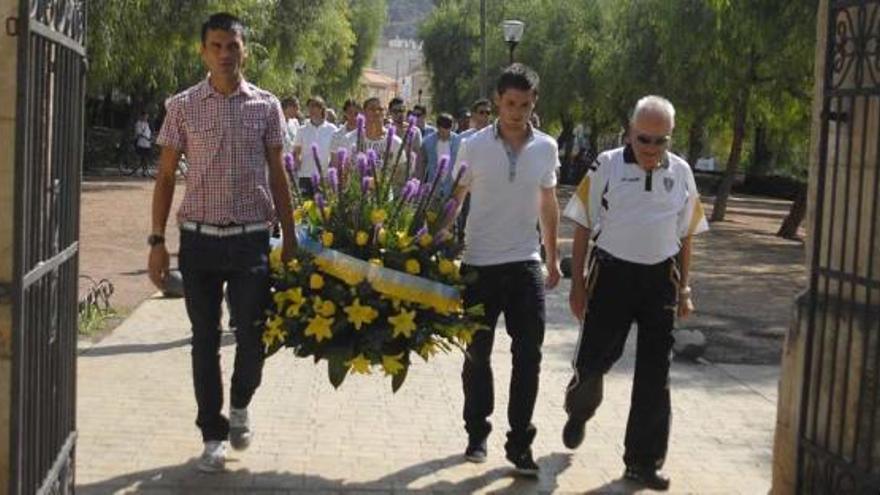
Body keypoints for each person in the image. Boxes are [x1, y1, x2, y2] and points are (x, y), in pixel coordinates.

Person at [147, 12, 296, 473]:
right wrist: (157, 241)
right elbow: (167, 175)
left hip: (252, 239)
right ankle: (212, 434)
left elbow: (278, 173)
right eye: (216, 46)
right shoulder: (184, 105)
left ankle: (240, 404)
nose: (225, 54)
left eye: (232, 46)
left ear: (243, 50)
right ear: (203, 51)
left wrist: (289, 235)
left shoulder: (267, 106)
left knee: (253, 335)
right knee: (204, 340)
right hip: (199, 243)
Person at [561, 95, 708, 491]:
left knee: (655, 375)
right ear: (630, 133)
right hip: (612, 276)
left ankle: (642, 463)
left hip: (660, 279)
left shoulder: (681, 173)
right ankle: (579, 410)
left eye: (661, 141)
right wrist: (577, 283)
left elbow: (688, 236)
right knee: (595, 361)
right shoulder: (606, 165)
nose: (652, 149)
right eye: (644, 139)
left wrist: (685, 290)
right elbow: (581, 223)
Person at [443, 63, 561, 476]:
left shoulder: (546, 147)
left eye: (525, 105)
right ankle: (477, 431)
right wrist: (435, 237)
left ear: (534, 104)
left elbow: (548, 203)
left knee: (529, 354)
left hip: (525, 262)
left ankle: (520, 443)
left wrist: (552, 255)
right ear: (497, 101)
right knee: (477, 354)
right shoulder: (473, 145)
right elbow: (456, 196)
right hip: (479, 265)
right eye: (510, 104)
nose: (517, 112)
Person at [293, 96, 337, 196]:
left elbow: (334, 155)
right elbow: (296, 151)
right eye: (309, 107)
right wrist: (297, 160)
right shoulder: (302, 130)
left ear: (321, 108)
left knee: (323, 210)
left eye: (314, 106)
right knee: (304, 209)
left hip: (324, 177)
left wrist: (332, 175)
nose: (311, 110)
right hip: (305, 176)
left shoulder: (332, 130)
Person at [346, 96, 402, 168]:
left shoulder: (396, 142)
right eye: (372, 109)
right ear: (363, 112)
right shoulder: (349, 139)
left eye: (380, 109)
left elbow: (400, 172)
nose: (377, 112)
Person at [419, 112, 460, 192]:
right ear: (438, 126)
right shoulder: (427, 142)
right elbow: (422, 163)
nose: (446, 129)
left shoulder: (458, 141)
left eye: (448, 126)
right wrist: (421, 183)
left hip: (451, 187)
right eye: (443, 126)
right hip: (433, 188)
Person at [329, 98, 361, 165]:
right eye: (350, 112)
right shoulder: (337, 134)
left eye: (356, 113)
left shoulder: (365, 133)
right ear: (345, 113)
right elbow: (334, 160)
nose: (353, 116)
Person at [134, 111, 154, 175]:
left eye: (147, 117)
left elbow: (149, 132)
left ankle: (144, 170)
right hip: (141, 143)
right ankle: (144, 171)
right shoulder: (138, 123)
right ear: (142, 116)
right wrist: (146, 137)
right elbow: (139, 133)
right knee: (143, 157)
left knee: (146, 157)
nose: (146, 118)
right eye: (145, 116)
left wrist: (150, 138)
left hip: (147, 143)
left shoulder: (147, 124)